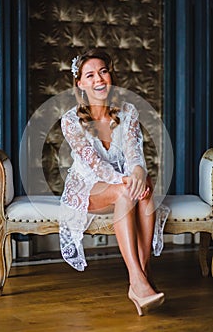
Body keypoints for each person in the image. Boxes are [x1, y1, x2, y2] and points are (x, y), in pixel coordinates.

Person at [59, 49, 168, 316]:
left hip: (121, 184)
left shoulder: (128, 111)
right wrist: (129, 179)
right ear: (81, 84)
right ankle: (140, 278)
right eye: (90, 74)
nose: (99, 79)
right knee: (127, 191)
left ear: (111, 76)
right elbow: (95, 165)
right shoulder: (70, 121)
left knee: (143, 188)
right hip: (87, 187)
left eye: (103, 71)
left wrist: (139, 171)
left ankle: (139, 282)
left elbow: (134, 152)